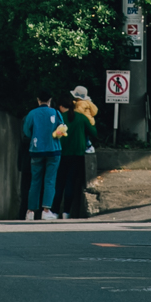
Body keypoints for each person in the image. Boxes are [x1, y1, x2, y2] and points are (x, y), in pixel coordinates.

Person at [22, 91, 66, 221]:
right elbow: (62, 128)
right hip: (53, 150)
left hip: (36, 150)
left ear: (38, 100)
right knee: (50, 180)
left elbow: (26, 131)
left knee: (35, 180)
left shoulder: (32, 114)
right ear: (50, 100)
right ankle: (46, 210)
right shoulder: (56, 113)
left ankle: (30, 211)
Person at [56, 85, 99, 219]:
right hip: (77, 155)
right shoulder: (81, 118)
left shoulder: (60, 117)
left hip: (61, 154)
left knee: (58, 183)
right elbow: (94, 133)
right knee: (70, 183)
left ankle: (54, 211)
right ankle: (66, 212)